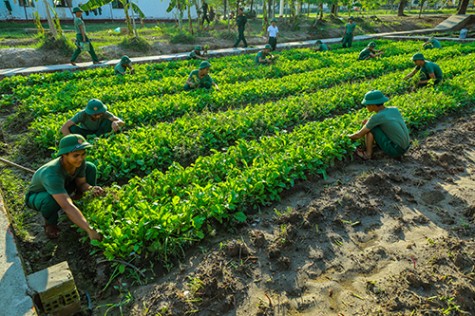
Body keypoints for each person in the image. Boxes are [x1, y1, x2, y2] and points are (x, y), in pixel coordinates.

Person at [25, 134, 104, 240]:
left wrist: (90, 189)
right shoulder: (51, 173)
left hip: (63, 186)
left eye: (83, 154)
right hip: (39, 196)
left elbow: (81, 184)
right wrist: (89, 229)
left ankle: (80, 201)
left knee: (90, 167)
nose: (80, 158)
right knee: (51, 201)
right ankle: (50, 224)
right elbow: (66, 206)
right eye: (76, 155)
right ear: (64, 155)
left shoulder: (79, 163)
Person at [348, 90, 410, 160]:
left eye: (367, 105)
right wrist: (369, 123)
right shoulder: (394, 109)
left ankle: (367, 155)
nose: (366, 107)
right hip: (406, 147)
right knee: (372, 126)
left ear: (373, 105)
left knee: (371, 129)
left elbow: (358, 135)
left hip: (396, 151)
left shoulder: (376, 117)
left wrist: (345, 137)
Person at [60, 99, 125, 137]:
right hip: (85, 133)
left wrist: (116, 122)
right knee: (72, 128)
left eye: (100, 114)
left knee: (109, 122)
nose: (98, 116)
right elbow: (64, 127)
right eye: (95, 115)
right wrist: (71, 139)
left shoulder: (105, 113)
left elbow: (122, 122)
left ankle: (102, 138)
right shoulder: (82, 114)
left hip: (100, 132)